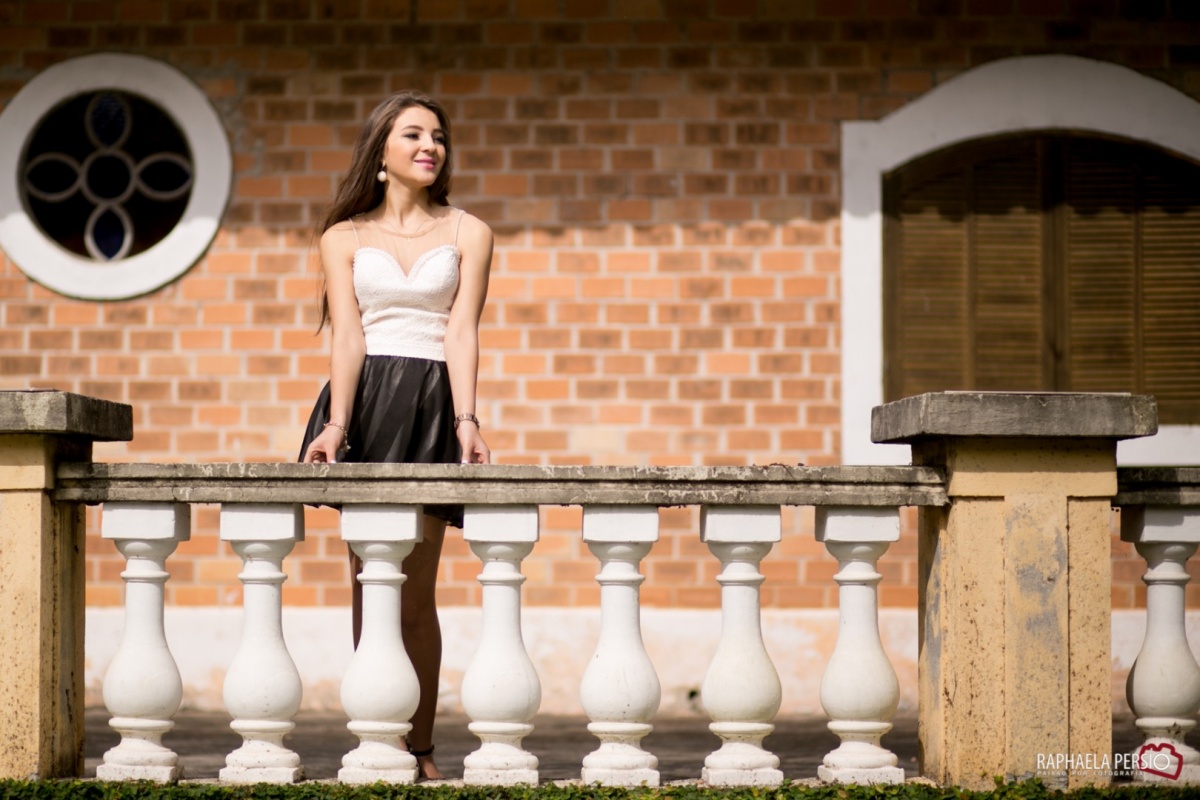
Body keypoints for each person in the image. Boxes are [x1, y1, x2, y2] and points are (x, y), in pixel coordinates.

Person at [299, 90, 492, 781]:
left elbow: (461, 332)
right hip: (370, 406)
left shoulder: (470, 231)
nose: (429, 146)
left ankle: (422, 747)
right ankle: (378, 737)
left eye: (437, 135)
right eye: (413, 134)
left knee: (416, 591)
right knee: (370, 582)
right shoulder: (342, 237)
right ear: (380, 151)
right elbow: (348, 337)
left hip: (434, 406)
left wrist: (467, 421)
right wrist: (337, 426)